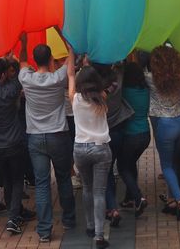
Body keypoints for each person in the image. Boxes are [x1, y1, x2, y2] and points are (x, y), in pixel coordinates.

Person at [19, 34, 76, 243]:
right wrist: (65, 38)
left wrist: (23, 43)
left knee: (42, 184)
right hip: (58, 135)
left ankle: (44, 231)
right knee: (63, 178)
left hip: (35, 137)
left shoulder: (26, 78)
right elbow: (71, 60)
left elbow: (22, 61)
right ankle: (69, 220)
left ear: (35, 60)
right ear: (51, 58)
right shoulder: (58, 78)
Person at [0, 57, 35, 235]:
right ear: (4, 75)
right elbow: (19, 76)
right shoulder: (11, 89)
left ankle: (15, 212)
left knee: (7, 180)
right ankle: (12, 217)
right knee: (17, 180)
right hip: (13, 142)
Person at [69, 61, 112, 249]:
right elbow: (109, 83)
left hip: (80, 148)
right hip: (101, 149)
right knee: (99, 192)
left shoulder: (75, 98)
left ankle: (89, 225)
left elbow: (70, 74)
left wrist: (70, 50)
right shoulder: (102, 97)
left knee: (86, 188)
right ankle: (99, 235)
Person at [149, 45, 180, 220]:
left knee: (166, 165)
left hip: (164, 124)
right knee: (177, 162)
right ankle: (173, 199)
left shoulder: (150, 79)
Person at [93, 62, 133, 228]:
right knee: (113, 167)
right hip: (119, 130)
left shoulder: (94, 93)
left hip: (103, 133)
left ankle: (112, 208)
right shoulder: (117, 82)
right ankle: (116, 205)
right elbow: (123, 66)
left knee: (106, 172)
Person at [116, 62, 150, 217]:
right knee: (130, 164)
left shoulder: (125, 91)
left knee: (122, 166)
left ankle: (138, 197)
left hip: (131, 135)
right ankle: (129, 198)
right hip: (145, 134)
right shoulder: (145, 89)